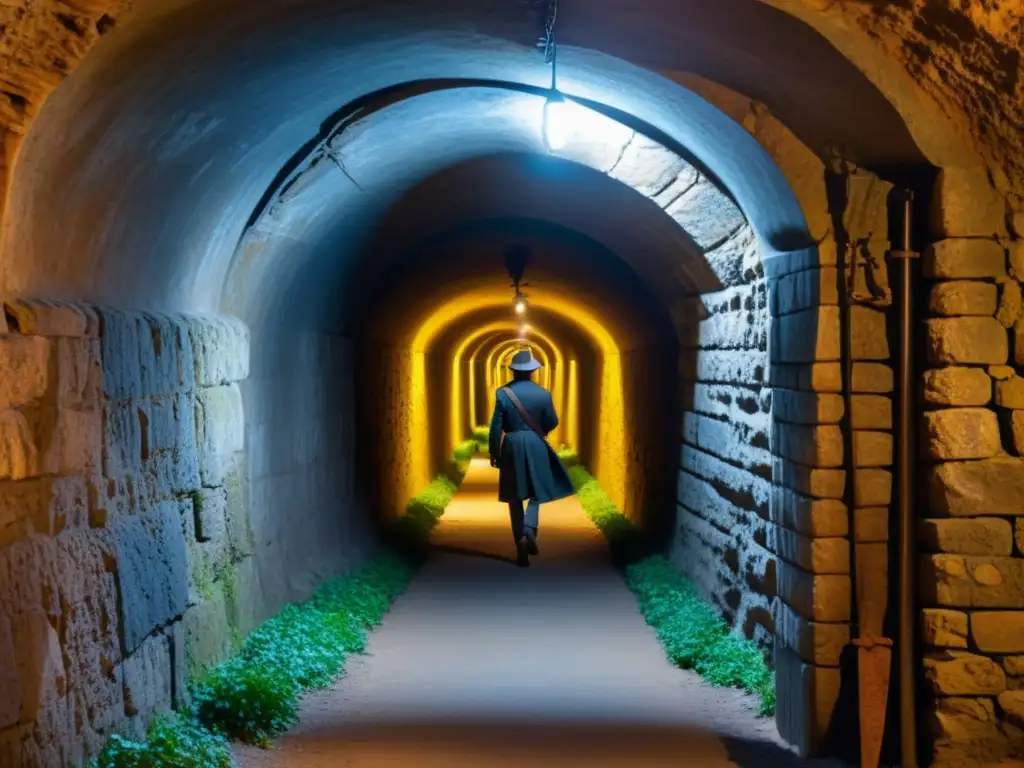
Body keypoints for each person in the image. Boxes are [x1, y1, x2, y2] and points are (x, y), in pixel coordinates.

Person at [487, 348, 575, 567]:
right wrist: (540, 429)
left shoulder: (502, 393)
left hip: (512, 444)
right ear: (533, 372)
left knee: (514, 497)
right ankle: (529, 530)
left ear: (513, 372)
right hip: (536, 444)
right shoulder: (543, 394)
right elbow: (553, 421)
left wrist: (494, 452)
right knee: (537, 491)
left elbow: (496, 426)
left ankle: (520, 548)